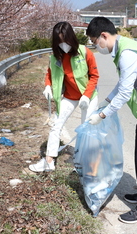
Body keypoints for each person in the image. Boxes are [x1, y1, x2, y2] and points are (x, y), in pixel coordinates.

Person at [86, 17, 137, 224]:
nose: (97, 47)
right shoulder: (128, 45)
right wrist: (105, 102)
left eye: (96, 42)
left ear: (104, 36)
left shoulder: (126, 54)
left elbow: (124, 93)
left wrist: (103, 115)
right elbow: (124, 82)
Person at [29, 21, 100, 172]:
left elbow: (94, 76)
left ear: (71, 38)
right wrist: (48, 86)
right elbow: (49, 74)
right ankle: (49, 161)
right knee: (56, 125)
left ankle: (85, 164)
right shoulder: (56, 57)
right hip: (69, 96)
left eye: (65, 41)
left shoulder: (85, 52)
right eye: (59, 42)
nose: (63, 45)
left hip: (88, 97)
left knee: (86, 129)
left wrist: (87, 96)